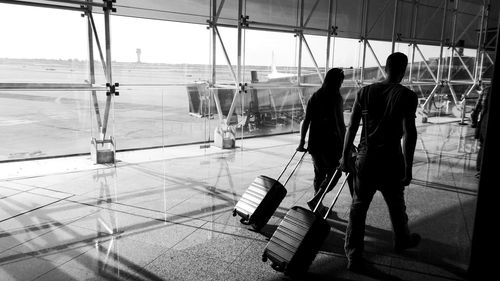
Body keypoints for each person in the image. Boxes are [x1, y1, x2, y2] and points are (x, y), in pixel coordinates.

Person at [340, 52, 420, 271]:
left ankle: (354, 256)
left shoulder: (364, 92)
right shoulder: (407, 96)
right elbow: (409, 134)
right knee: (396, 204)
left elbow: (352, 127)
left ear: (385, 67)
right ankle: (402, 239)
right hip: (391, 159)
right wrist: (408, 167)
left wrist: (345, 155)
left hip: (366, 159)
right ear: (403, 70)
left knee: (358, 208)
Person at [297, 68, 347, 215]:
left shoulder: (316, 96)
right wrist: (346, 145)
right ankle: (316, 200)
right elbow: (340, 124)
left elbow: (306, 121)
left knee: (319, 174)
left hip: (315, 143)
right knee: (335, 173)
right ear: (337, 82)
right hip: (331, 143)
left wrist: (301, 142)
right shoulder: (335, 97)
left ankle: (317, 204)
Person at [470, 85, 490, 178]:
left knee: (482, 147)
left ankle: (479, 170)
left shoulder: (486, 90)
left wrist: (474, 123)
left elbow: (476, 109)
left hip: (484, 123)